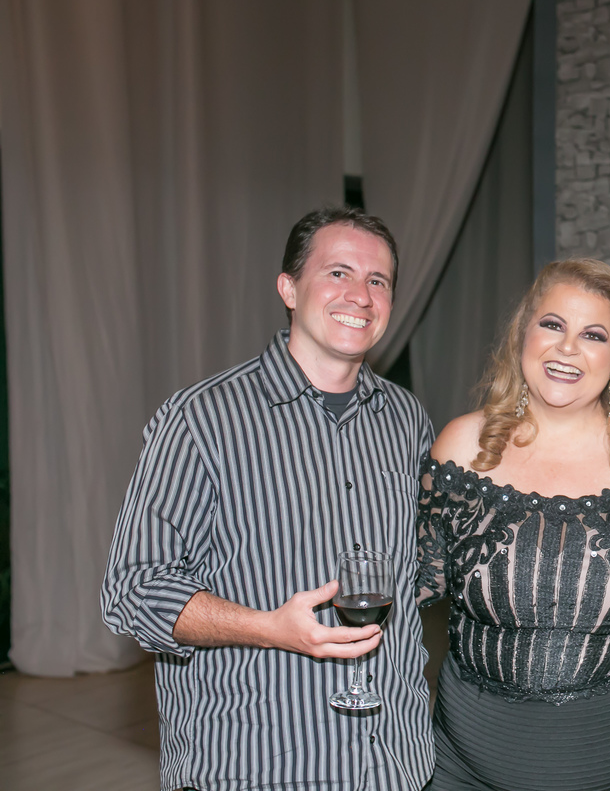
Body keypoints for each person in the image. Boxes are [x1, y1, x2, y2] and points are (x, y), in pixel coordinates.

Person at [102, 207, 435, 791]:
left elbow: (418, 573)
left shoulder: (406, 420)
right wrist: (267, 627)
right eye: (338, 272)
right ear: (289, 289)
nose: (360, 296)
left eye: (378, 281)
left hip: (394, 762)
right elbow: (133, 589)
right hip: (258, 763)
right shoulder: (200, 420)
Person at [416, 258, 610, 791]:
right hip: (466, 766)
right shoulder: (461, 447)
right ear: (524, 333)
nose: (567, 348)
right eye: (552, 325)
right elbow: (416, 587)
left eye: (593, 335)